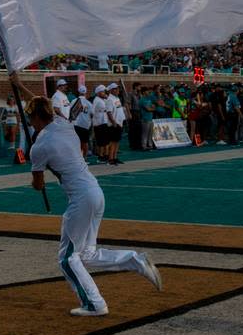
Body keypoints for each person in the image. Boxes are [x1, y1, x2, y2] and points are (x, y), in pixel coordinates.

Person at [24, 93, 162, 316]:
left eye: (30, 117)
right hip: (95, 192)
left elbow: (38, 185)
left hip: (81, 199)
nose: (29, 121)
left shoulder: (39, 147)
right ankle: (136, 261)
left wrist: (35, 172)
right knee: (86, 254)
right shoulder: (63, 124)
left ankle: (95, 304)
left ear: (35, 117)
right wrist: (19, 83)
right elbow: (42, 104)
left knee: (67, 258)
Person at [72, 84, 93, 157]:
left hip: (75, 125)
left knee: (76, 143)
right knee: (85, 142)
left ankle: (78, 158)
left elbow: (70, 112)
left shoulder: (74, 101)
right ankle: (84, 158)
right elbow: (92, 114)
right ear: (85, 92)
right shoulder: (89, 103)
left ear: (78, 92)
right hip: (85, 125)